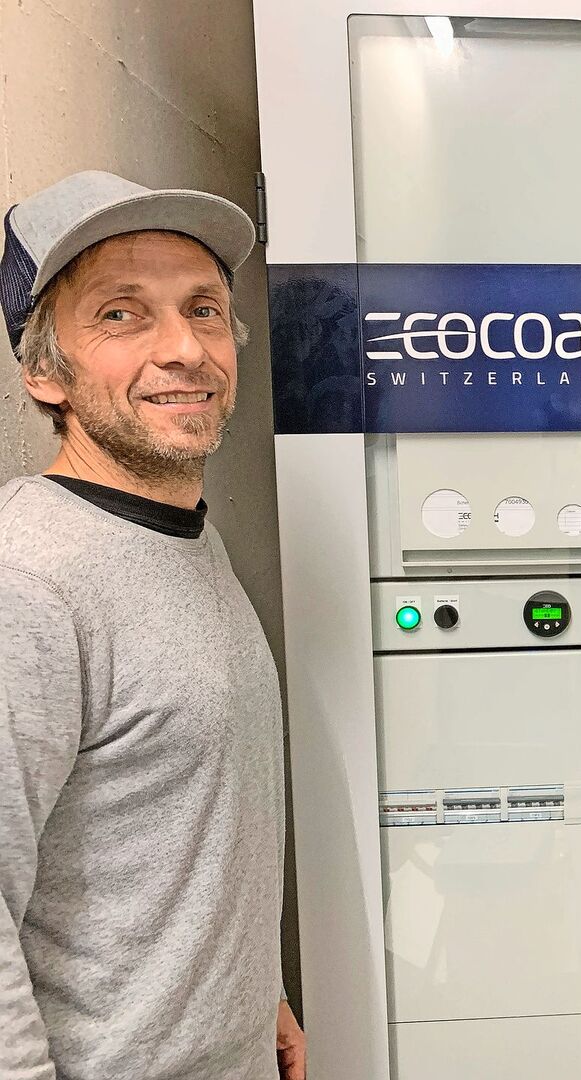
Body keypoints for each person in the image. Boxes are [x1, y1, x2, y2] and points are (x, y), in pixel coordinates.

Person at [0, 171, 304, 1080]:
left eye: (203, 310)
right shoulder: (29, 581)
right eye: (121, 315)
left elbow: (190, 825)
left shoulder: (187, 535)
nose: (184, 349)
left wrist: (261, 995)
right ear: (44, 371)